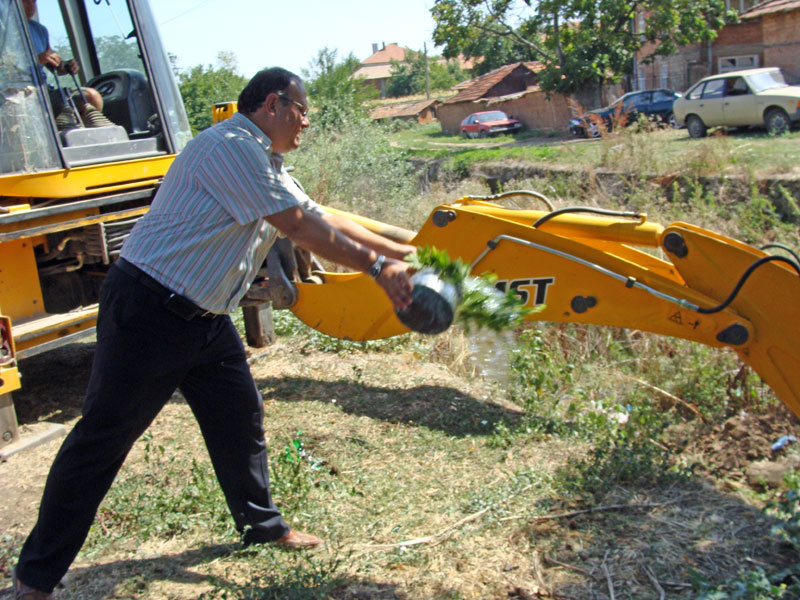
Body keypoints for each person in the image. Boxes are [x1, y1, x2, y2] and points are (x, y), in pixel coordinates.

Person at [12, 66, 416, 599]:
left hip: (203, 318)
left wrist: (405, 254)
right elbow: (297, 226)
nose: (307, 122)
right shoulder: (228, 146)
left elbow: (323, 218)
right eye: (303, 110)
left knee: (238, 416)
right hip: (150, 311)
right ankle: (34, 579)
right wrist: (374, 268)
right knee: (102, 440)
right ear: (273, 104)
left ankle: (261, 525)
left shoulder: (266, 161)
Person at [23, 0, 112, 129]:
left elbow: (52, 65)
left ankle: (84, 139)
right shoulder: (4, 31)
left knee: (92, 96)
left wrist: (65, 66)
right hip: (17, 94)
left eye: (34, 2)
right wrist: (37, 59)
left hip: (44, 92)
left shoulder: (39, 30)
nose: (31, 6)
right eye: (26, 1)